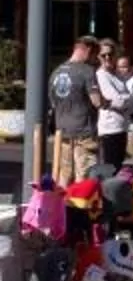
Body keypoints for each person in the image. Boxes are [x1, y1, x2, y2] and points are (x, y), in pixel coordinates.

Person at [48, 37, 100, 178]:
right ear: (88, 50)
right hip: (84, 132)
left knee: (64, 174)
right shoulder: (87, 70)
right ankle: (80, 201)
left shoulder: (56, 72)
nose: (95, 59)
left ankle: (63, 200)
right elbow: (96, 101)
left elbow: (53, 102)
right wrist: (108, 102)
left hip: (62, 131)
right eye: (96, 55)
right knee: (85, 175)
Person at [94, 47, 132, 175]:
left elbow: (129, 99)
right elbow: (117, 100)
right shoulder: (101, 75)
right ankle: (108, 195)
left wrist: (122, 100)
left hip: (121, 126)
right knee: (110, 169)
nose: (107, 58)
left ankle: (114, 194)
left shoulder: (116, 75)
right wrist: (122, 100)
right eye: (103, 55)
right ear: (98, 57)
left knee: (118, 166)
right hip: (109, 129)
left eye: (110, 54)